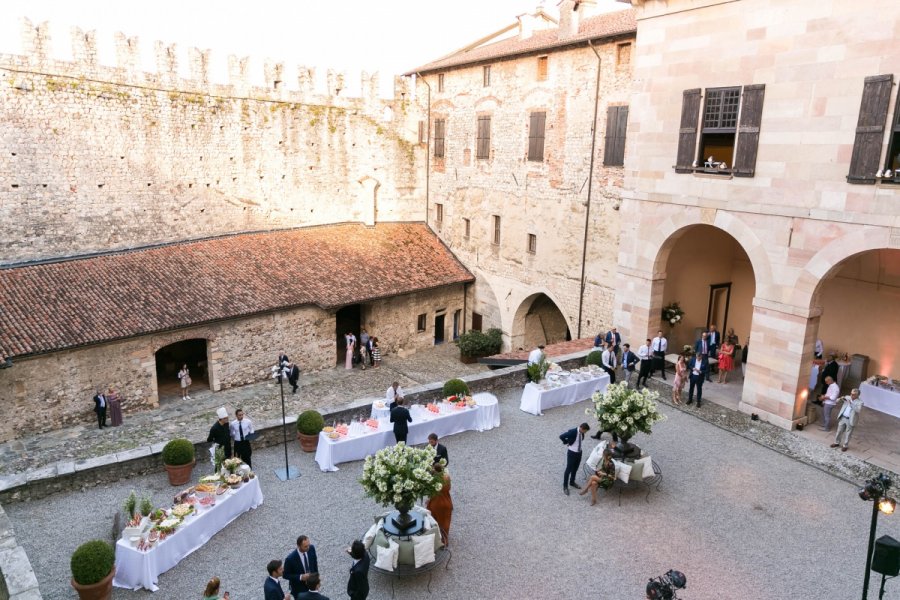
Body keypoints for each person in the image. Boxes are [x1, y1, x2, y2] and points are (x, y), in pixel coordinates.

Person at [427, 463, 453, 545]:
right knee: (445, 522)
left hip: (436, 503)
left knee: (435, 522)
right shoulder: (447, 477)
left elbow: (431, 492)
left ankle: (436, 540)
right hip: (447, 502)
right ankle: (445, 540)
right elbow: (449, 488)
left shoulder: (434, 480)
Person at [560, 422, 589, 496]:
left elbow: (580, 440)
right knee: (568, 469)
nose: (585, 433)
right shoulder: (572, 432)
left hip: (579, 453)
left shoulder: (582, 433)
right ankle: (565, 486)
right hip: (572, 453)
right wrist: (566, 442)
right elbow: (561, 436)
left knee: (575, 468)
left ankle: (572, 482)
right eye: (585, 431)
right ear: (582, 428)